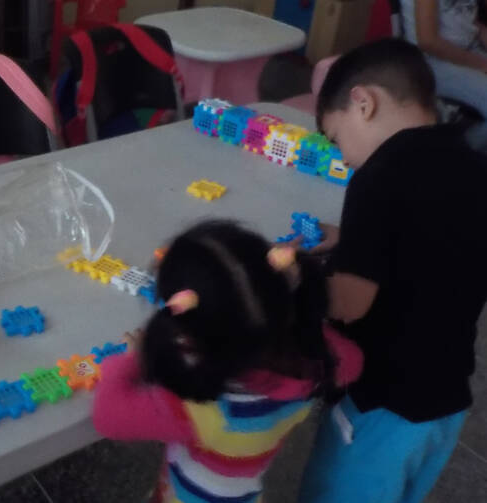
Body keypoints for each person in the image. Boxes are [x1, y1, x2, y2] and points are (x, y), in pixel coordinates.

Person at [297, 38, 487, 503]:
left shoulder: (380, 174)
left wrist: (291, 278)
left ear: (363, 103)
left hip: (380, 405)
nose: (343, 156)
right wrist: (354, 239)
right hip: (443, 406)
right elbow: (441, 239)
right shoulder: (469, 156)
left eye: (337, 138)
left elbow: (350, 303)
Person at [92, 221, 363, 503]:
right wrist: (296, 299)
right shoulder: (314, 365)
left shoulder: (204, 406)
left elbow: (108, 417)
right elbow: (352, 360)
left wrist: (131, 359)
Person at [400, 0, 487, 152]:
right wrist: (481, 64)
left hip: (467, 49)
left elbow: (473, 25)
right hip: (431, 62)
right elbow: (428, 42)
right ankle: (456, 154)